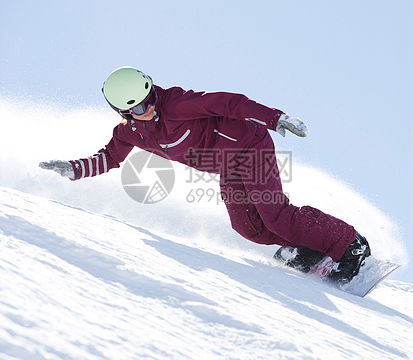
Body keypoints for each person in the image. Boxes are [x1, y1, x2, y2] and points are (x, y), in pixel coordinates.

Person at [40, 66, 371, 282]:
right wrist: (74, 169)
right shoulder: (130, 133)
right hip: (227, 167)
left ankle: (349, 244)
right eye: (138, 108)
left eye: (149, 96)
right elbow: (110, 157)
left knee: (275, 215)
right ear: (124, 111)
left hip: (249, 147)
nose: (149, 108)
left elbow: (229, 103)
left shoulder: (176, 104)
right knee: (248, 227)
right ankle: (310, 248)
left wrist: (274, 118)